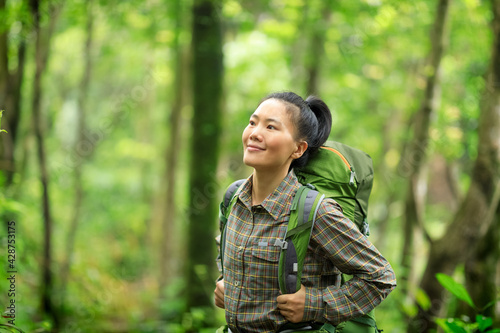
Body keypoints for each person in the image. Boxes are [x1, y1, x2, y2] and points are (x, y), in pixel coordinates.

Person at [214, 92, 396, 333]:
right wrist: (225, 283)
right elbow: (230, 258)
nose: (255, 133)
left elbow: (380, 277)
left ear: (298, 149)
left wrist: (315, 305)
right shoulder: (234, 199)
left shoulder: (315, 212)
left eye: (271, 127)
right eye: (252, 122)